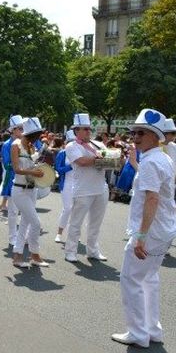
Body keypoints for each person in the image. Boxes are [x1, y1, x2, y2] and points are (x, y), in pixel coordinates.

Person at [112, 109, 176, 348]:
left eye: (141, 133)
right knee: (149, 279)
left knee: (131, 279)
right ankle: (152, 330)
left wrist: (140, 236)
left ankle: (138, 333)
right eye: (134, 132)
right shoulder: (162, 157)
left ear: (155, 136)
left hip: (150, 233)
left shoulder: (153, 161)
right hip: (164, 230)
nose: (135, 137)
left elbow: (152, 199)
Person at [64, 113, 109, 263]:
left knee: (96, 223)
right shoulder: (71, 145)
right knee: (76, 223)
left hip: (100, 188)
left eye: (89, 129)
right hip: (83, 189)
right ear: (76, 130)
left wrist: (114, 159)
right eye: (85, 129)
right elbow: (81, 161)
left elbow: (111, 162)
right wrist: (101, 159)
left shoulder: (99, 145)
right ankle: (70, 251)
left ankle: (93, 250)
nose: (88, 131)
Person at [10, 118, 49, 268]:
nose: (38, 136)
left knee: (25, 224)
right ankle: (35, 254)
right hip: (19, 189)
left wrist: (41, 169)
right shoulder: (16, 145)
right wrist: (33, 171)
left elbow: (34, 166)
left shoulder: (32, 146)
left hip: (32, 189)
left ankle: (18, 256)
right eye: (36, 133)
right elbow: (16, 169)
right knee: (36, 223)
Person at [0, 115, 23, 246]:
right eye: (20, 128)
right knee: (13, 211)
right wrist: (22, 164)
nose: (22, 130)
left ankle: (23, 236)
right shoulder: (7, 145)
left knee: (26, 210)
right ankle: (12, 238)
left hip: (26, 179)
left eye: (22, 128)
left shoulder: (26, 143)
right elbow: (7, 164)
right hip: (13, 179)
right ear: (13, 130)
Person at [54, 130, 75, 243]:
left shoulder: (80, 151)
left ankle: (73, 233)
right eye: (70, 141)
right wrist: (71, 166)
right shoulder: (62, 153)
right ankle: (59, 233)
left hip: (79, 184)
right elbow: (58, 169)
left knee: (77, 210)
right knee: (67, 208)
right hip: (66, 183)